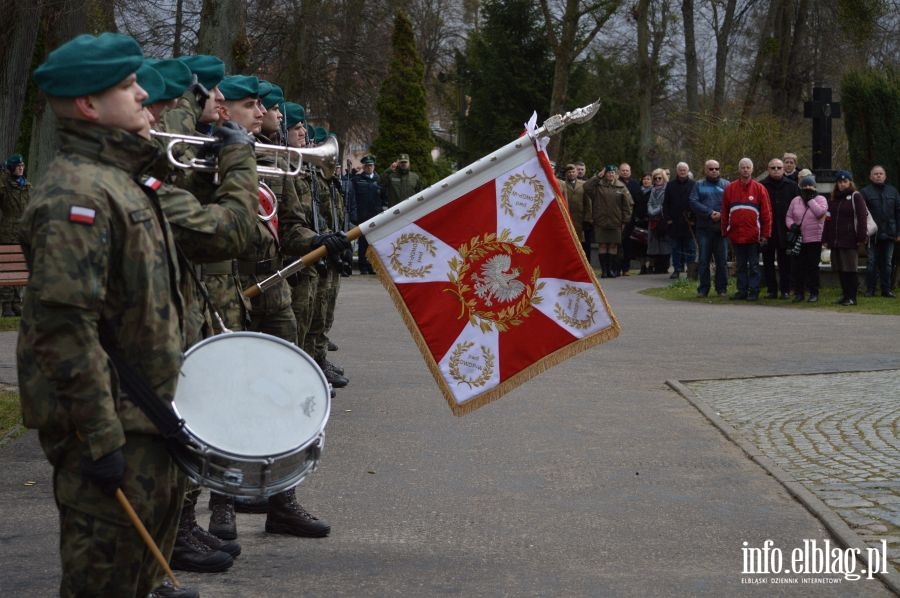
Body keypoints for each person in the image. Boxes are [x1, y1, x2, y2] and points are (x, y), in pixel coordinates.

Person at [19, 32, 187, 597]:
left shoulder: (118, 180)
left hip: (146, 420)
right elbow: (64, 329)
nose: (143, 94)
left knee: (137, 582)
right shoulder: (77, 195)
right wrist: (100, 438)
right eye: (127, 85)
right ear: (90, 105)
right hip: (115, 430)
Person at [722, 158, 772, 301]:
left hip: (753, 236)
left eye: (748, 167)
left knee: (754, 266)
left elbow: (766, 213)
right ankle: (741, 290)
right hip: (736, 235)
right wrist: (725, 231)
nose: (745, 170)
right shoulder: (730, 188)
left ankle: (754, 291)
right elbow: (725, 212)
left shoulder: (759, 188)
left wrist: (765, 234)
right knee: (741, 266)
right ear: (739, 169)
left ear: (752, 169)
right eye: (743, 167)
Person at [822, 170, 867, 306]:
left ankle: (852, 297)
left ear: (850, 182)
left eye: (845, 181)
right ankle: (845, 295)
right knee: (840, 269)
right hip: (835, 240)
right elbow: (828, 219)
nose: (842, 184)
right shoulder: (834, 198)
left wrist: (861, 237)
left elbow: (861, 217)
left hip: (850, 240)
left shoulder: (856, 196)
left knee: (850, 269)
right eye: (840, 182)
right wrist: (825, 238)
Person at [583, 164, 633, 278]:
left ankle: (611, 270)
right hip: (601, 221)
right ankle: (604, 271)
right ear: (605, 174)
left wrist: (625, 220)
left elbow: (628, 205)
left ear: (616, 174)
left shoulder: (621, 187)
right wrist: (597, 177)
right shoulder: (598, 186)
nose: (611, 175)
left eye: (613, 173)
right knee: (603, 245)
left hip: (616, 221)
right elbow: (586, 187)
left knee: (613, 246)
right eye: (609, 173)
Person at [760, 158, 799, 298]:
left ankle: (785, 290)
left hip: (786, 230)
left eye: (779, 167)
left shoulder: (793, 186)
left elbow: (797, 207)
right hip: (768, 230)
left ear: (783, 169)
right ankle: (771, 290)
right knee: (768, 262)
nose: (776, 170)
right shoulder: (761, 186)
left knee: (785, 263)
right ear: (768, 169)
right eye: (773, 167)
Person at [688, 159, 729, 298]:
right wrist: (710, 213)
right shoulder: (698, 185)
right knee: (704, 260)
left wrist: (722, 214)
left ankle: (721, 288)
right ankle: (703, 289)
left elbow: (731, 203)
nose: (714, 171)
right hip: (704, 228)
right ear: (705, 170)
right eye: (711, 169)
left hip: (721, 228)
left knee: (722, 261)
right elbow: (693, 201)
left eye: (716, 168)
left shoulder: (726, 185)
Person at [785, 175, 828, 303]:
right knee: (798, 267)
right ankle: (799, 293)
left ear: (815, 187)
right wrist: (792, 225)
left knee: (812, 267)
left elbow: (820, 212)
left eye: (810, 185)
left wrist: (810, 200)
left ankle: (813, 292)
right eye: (805, 186)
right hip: (799, 239)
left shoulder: (821, 199)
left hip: (814, 238)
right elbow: (788, 216)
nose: (807, 188)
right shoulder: (795, 200)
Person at [860, 165, 899, 298]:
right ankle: (870, 290)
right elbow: (861, 214)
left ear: (885, 176)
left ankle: (886, 290)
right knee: (871, 263)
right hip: (872, 234)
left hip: (890, 233)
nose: (878, 175)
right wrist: (863, 233)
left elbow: (898, 212)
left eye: (881, 173)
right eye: (875, 174)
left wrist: (898, 232)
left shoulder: (893, 191)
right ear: (871, 177)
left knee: (887, 264)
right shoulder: (864, 192)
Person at [0, 154, 31, 316]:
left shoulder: (26, 185)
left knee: (20, 267)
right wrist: (4, 175)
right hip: (8, 231)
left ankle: (16, 303)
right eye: (17, 165)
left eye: (22, 165)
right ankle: (6, 305)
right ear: (11, 168)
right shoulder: (5, 185)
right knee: (7, 268)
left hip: (24, 231)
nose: (21, 167)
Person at [348, 155, 384, 273]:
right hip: (362, 215)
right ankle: (363, 265)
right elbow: (352, 199)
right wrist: (354, 214)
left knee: (375, 241)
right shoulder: (357, 180)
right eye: (367, 166)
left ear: (374, 166)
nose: (369, 168)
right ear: (364, 167)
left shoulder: (380, 179)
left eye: (371, 165)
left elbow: (384, 198)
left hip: (376, 215)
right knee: (363, 241)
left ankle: (372, 265)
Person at [662, 162, 696, 279]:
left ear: (688, 171)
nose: (682, 172)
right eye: (680, 170)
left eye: (684, 170)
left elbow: (696, 203)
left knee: (690, 247)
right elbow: (665, 204)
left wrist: (694, 219)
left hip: (689, 222)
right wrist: (668, 220)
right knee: (675, 247)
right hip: (674, 222)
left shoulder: (694, 184)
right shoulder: (670, 185)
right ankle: (677, 269)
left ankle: (690, 271)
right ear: (677, 171)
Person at [618, 162, 643, 275]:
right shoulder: (616, 183)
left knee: (628, 244)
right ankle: (616, 267)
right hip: (617, 218)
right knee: (617, 244)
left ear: (630, 171)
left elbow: (639, 201)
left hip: (631, 219)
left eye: (627, 170)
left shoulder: (635, 184)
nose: (625, 172)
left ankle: (626, 269)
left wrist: (638, 216)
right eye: (623, 170)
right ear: (619, 171)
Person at [558, 164, 588, 258]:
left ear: (576, 172)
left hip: (581, 218)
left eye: (573, 171)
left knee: (581, 243)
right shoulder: (562, 184)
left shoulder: (583, 184)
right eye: (569, 172)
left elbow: (588, 202)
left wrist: (588, 217)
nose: (571, 174)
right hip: (567, 217)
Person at [646, 168, 671, 274]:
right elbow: (650, 203)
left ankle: (664, 267)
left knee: (665, 244)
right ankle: (656, 266)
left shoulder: (667, 189)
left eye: (659, 178)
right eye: (655, 178)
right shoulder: (652, 190)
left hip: (663, 220)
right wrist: (651, 211)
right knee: (655, 245)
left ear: (664, 178)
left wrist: (654, 210)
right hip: (654, 220)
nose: (657, 180)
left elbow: (664, 205)